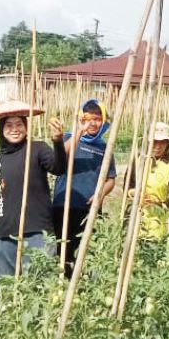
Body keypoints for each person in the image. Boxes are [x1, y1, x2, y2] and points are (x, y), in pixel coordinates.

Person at [0, 101, 67, 277]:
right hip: (4, 231)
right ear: (2, 130)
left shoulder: (38, 149)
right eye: (9, 125)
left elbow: (59, 168)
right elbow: (9, 190)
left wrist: (57, 142)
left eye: (19, 124)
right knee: (6, 286)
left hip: (36, 229)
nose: (14, 129)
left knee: (39, 283)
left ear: (26, 127)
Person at [52, 99, 116, 276]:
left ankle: (83, 287)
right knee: (63, 250)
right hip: (63, 205)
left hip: (90, 207)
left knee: (88, 251)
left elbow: (111, 179)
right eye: (88, 118)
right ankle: (62, 285)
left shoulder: (104, 147)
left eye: (97, 119)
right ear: (80, 119)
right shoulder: (68, 138)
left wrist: (100, 193)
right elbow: (59, 156)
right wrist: (79, 133)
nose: (92, 123)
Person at [127, 122, 169, 239]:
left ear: (167, 144)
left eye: (162, 142)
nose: (157, 146)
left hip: (158, 218)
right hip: (135, 215)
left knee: (154, 247)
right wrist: (134, 193)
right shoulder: (138, 160)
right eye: (154, 142)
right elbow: (128, 185)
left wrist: (159, 204)